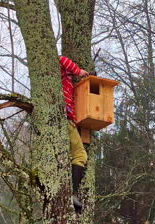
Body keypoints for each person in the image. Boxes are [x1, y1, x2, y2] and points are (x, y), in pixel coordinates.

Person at [59, 55, 89, 212]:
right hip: (65, 119)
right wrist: (79, 71)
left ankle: (71, 193)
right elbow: (61, 58)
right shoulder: (62, 70)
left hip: (68, 120)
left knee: (73, 155)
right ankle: (73, 194)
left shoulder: (67, 80)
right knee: (80, 155)